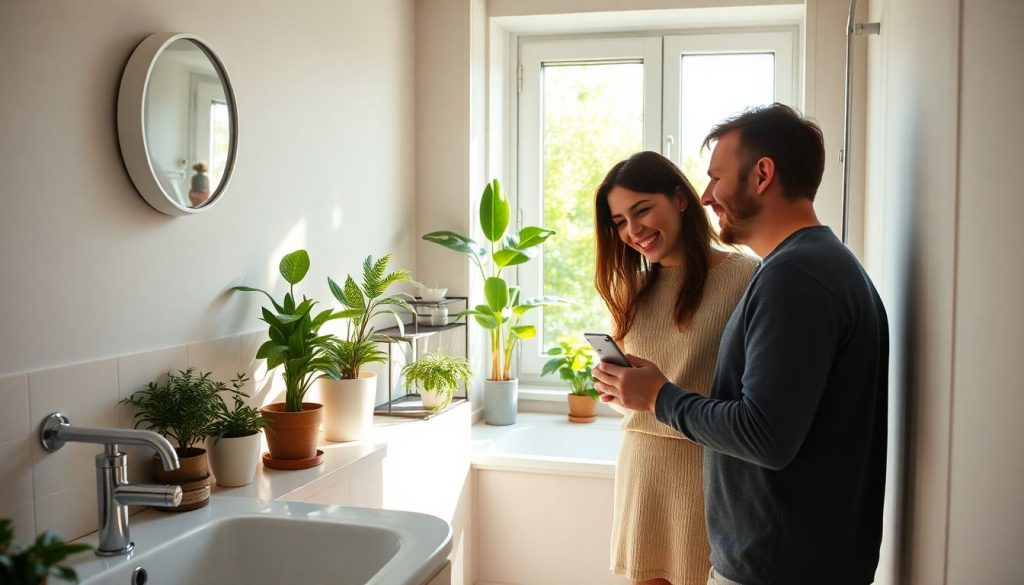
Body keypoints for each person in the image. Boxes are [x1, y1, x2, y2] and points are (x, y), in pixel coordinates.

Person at [593, 104, 889, 585]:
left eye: (715, 178)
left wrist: (658, 396)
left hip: (777, 562)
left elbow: (764, 434)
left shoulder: (794, 278)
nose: (707, 195)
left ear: (763, 174)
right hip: (790, 556)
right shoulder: (811, 267)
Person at [594, 151, 760, 585]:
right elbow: (642, 398)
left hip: (706, 474)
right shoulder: (633, 289)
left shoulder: (746, 276)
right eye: (619, 222)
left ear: (680, 199)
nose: (633, 231)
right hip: (642, 471)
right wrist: (616, 391)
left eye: (642, 210)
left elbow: (750, 397)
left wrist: (655, 393)